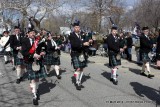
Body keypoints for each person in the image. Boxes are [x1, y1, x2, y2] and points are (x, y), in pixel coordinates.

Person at [22, 30, 47, 105]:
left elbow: (45, 48)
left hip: (39, 62)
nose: (33, 34)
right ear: (28, 34)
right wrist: (33, 55)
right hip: (30, 61)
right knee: (33, 79)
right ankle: (34, 96)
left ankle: (35, 89)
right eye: (31, 33)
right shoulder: (25, 41)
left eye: (33, 33)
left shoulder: (39, 40)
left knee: (37, 78)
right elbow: (24, 52)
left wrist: (44, 52)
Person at [69, 20, 90, 90]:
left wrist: (89, 41)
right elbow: (74, 45)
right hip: (75, 53)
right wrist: (82, 44)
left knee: (81, 68)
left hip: (81, 54)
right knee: (77, 68)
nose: (77, 28)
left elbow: (86, 42)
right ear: (74, 28)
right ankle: (77, 82)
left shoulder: (82, 35)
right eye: (76, 27)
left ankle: (79, 81)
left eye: (78, 27)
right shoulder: (71, 35)